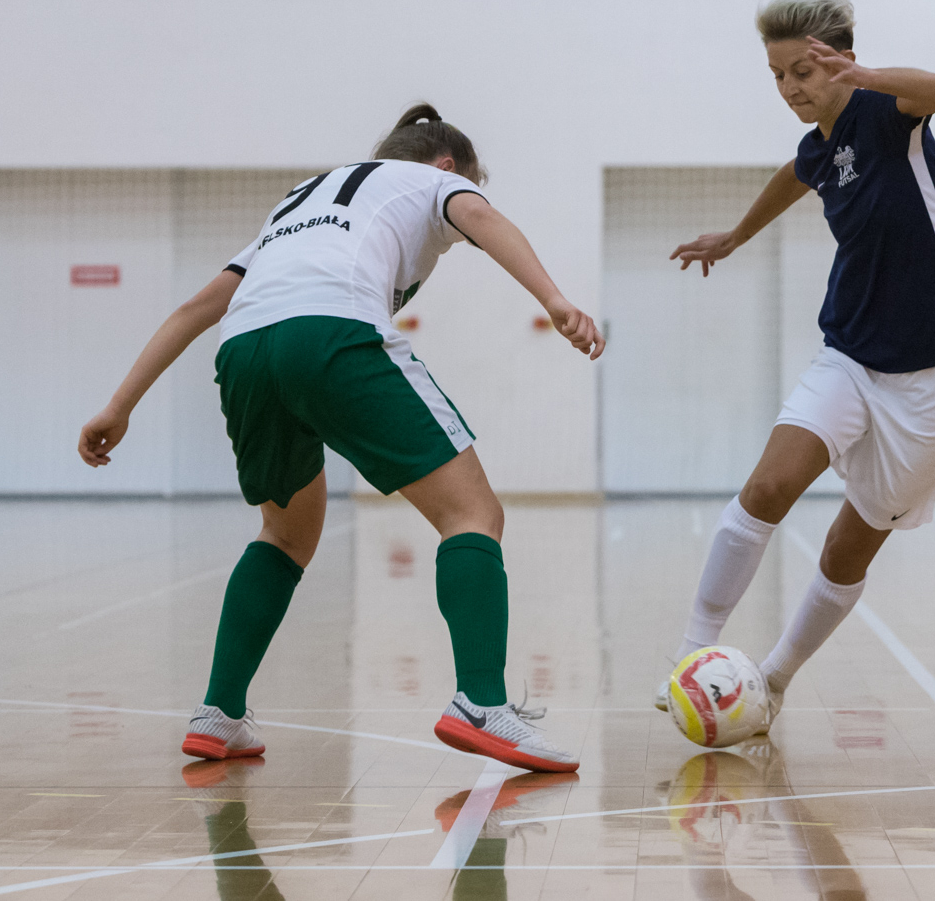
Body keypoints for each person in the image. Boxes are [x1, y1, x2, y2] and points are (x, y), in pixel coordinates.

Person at [79, 104, 602, 773]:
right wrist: (554, 300)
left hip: (244, 350)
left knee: (285, 533)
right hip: (331, 332)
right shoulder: (432, 182)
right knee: (472, 514)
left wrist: (119, 404)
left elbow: (198, 307)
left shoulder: (301, 201)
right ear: (447, 165)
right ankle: (482, 701)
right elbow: (482, 218)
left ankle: (219, 712)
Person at [657, 0, 935, 727]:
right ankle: (691, 655)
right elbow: (795, 174)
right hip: (851, 351)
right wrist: (736, 235)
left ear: (837, 61)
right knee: (769, 486)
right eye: (777, 75)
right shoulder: (820, 147)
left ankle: (772, 680)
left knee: (848, 548)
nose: (788, 89)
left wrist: (864, 76)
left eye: (800, 73)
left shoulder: (888, 113)